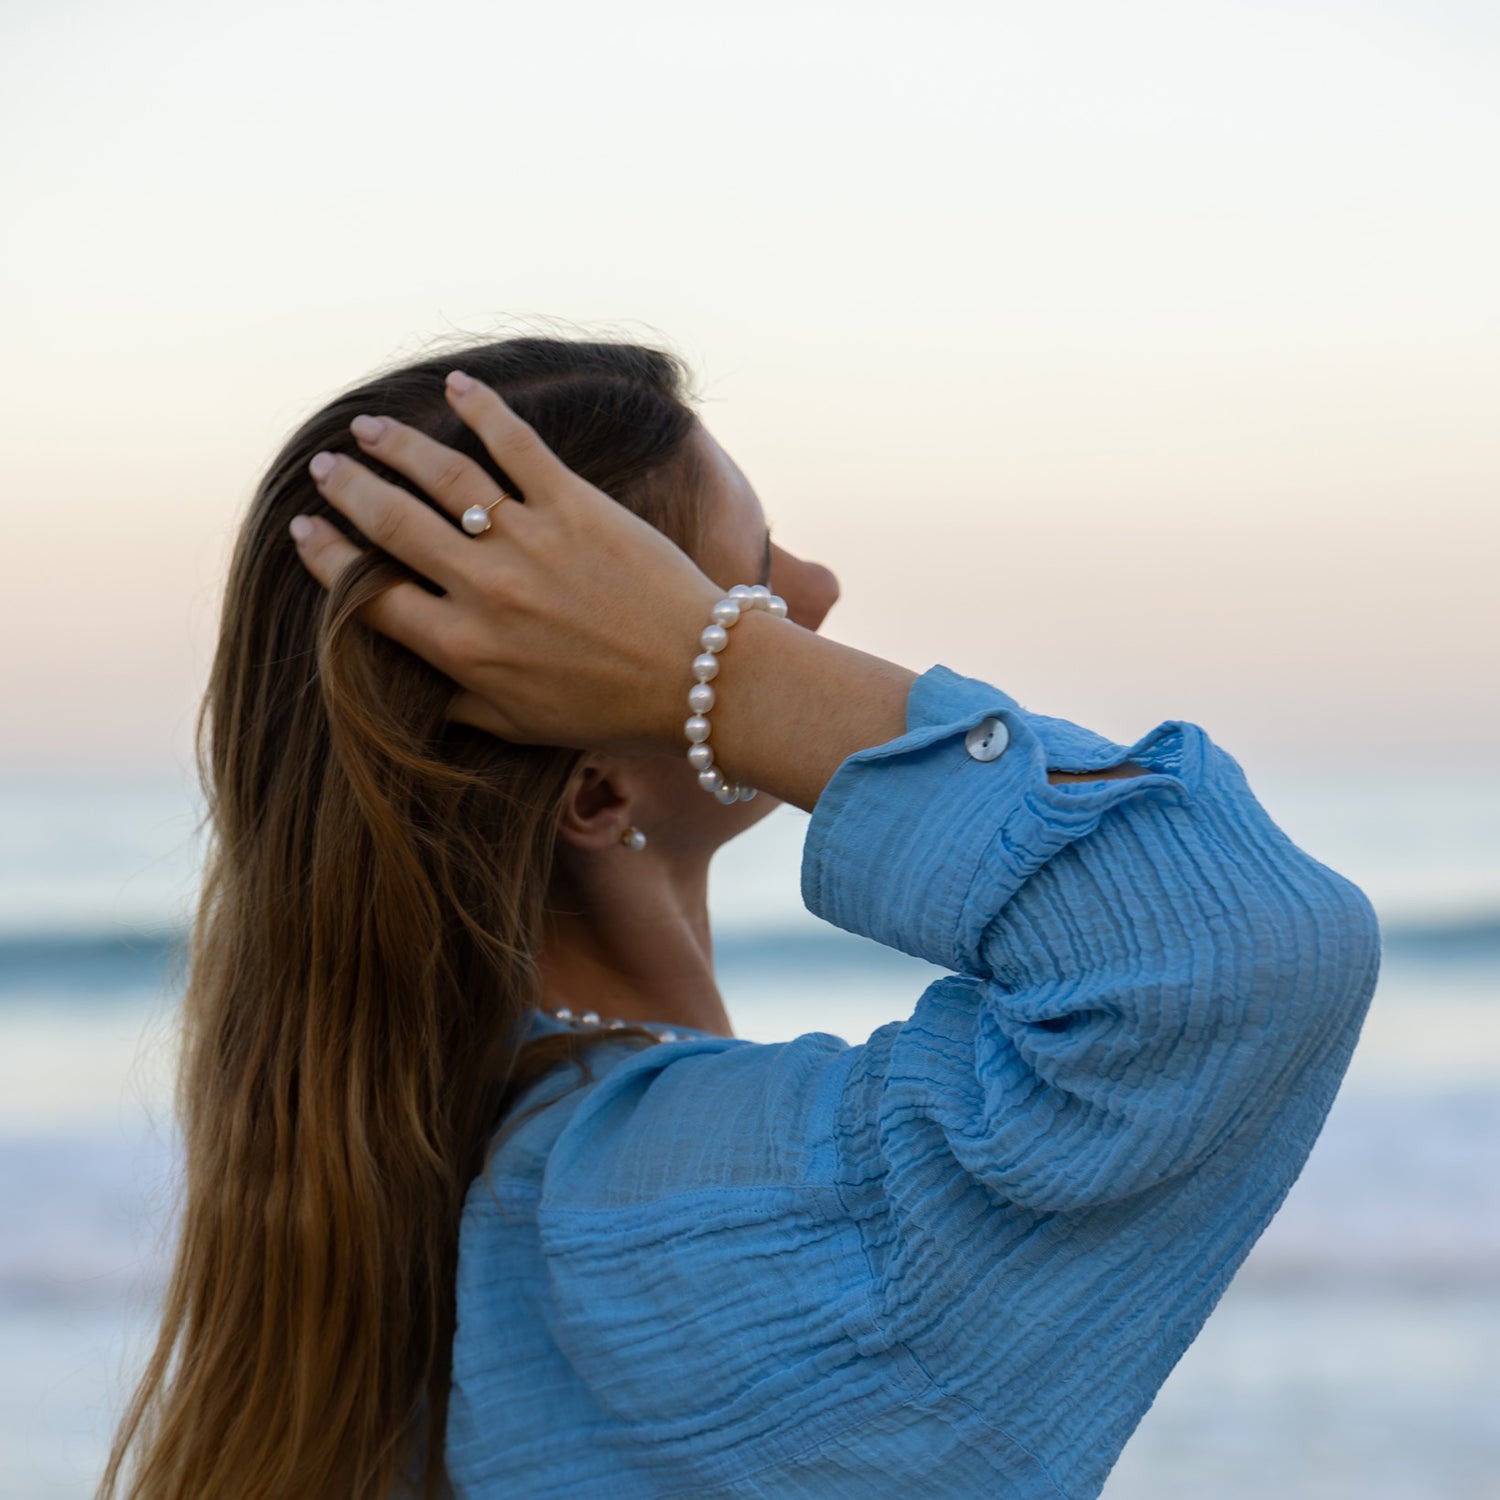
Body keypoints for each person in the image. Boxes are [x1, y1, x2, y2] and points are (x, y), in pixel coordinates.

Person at [100, 336, 1381, 1500]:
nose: (820, 590)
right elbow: (1239, 952)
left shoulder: (446, 1169)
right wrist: (726, 677)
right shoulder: (669, 1237)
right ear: (598, 789)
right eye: (743, 593)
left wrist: (700, 654)